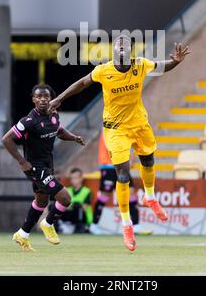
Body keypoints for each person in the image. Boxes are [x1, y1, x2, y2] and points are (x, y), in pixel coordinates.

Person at [49, 36, 190, 251]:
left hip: (140, 123)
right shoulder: (103, 71)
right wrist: (59, 98)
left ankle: (150, 198)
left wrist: (176, 62)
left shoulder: (140, 64)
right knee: (123, 174)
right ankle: (127, 225)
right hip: (116, 130)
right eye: (119, 46)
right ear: (114, 52)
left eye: (126, 47)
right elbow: (81, 84)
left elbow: (162, 67)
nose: (123, 49)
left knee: (148, 160)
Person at [2, 84, 85, 251]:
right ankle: (48, 223)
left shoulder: (53, 115)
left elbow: (59, 131)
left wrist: (74, 137)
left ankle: (22, 235)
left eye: (46, 96)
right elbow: (6, 140)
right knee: (65, 198)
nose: (42, 99)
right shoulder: (28, 121)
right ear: (33, 99)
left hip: (48, 164)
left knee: (41, 201)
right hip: (35, 167)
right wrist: (21, 161)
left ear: (50, 98)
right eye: (38, 97)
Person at [90, 129, 152, 235]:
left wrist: (131, 156)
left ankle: (136, 225)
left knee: (131, 192)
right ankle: (94, 225)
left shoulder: (124, 125)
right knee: (105, 195)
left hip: (121, 165)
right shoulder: (107, 125)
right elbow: (111, 143)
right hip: (108, 166)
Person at [53, 168, 93, 234]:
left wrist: (71, 205)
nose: (73, 180)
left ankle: (81, 228)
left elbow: (84, 208)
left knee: (78, 207)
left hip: (83, 218)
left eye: (75, 178)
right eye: (71, 178)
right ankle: (55, 228)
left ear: (81, 179)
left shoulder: (86, 191)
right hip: (69, 216)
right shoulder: (68, 190)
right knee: (55, 206)